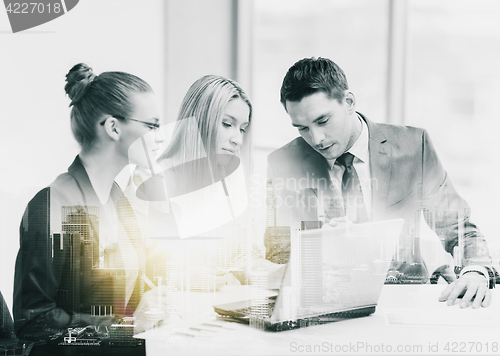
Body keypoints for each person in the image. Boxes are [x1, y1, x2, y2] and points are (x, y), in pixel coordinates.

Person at [265, 57, 495, 309]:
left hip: (404, 303)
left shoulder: (413, 146)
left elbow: (458, 227)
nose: (317, 139)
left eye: (323, 121)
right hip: (324, 307)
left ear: (349, 102)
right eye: (302, 128)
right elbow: (276, 253)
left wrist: (475, 271)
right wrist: (321, 247)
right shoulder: (284, 163)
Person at [13, 63, 166, 337]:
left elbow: (133, 294)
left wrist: (153, 304)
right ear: (113, 128)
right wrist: (123, 327)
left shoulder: (120, 201)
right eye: (153, 126)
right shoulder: (49, 206)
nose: (160, 137)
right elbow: (35, 323)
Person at [136, 75, 253, 300]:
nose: (237, 139)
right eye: (227, 124)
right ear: (199, 120)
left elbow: (240, 257)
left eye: (242, 129)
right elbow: (135, 275)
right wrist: (183, 278)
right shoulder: (152, 181)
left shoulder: (225, 184)